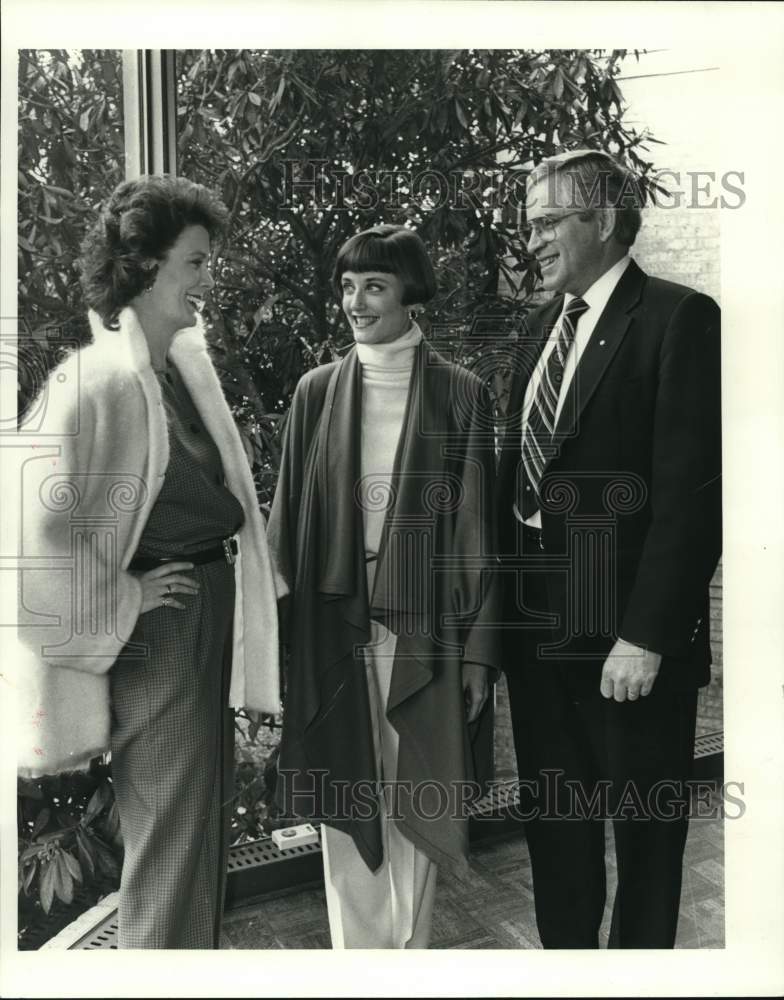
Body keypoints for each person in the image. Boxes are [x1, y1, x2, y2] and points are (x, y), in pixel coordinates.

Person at [17, 175, 281, 949]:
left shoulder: (176, 374)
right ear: (144, 268)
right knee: (169, 832)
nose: (208, 279)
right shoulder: (93, 384)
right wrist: (125, 595)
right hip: (156, 634)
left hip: (202, 606)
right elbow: (32, 540)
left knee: (199, 824)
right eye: (195, 263)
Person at [496, 149, 722, 948]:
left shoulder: (679, 318)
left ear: (604, 220)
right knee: (557, 842)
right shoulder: (534, 333)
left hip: (628, 647)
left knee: (646, 848)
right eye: (531, 225)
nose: (534, 240)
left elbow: (694, 499)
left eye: (550, 221)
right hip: (538, 639)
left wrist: (647, 635)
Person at [267, 224, 499, 949]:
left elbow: (482, 537)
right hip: (333, 621)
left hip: (425, 625)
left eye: (373, 284)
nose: (355, 301)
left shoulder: (462, 394)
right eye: (346, 286)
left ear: (409, 291)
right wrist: (273, 645)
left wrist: (481, 656)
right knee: (348, 792)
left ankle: (411, 962)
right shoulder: (315, 392)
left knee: (419, 788)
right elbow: (287, 519)